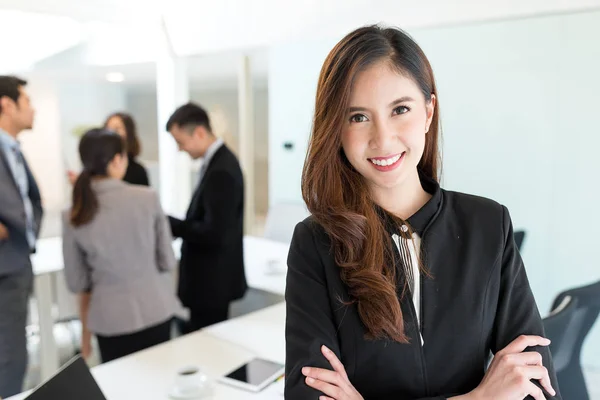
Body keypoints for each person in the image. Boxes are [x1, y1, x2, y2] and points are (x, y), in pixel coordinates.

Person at [285, 26, 561, 400]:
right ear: (335, 128)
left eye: (400, 109)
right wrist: (478, 398)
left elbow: (537, 388)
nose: (383, 139)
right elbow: (308, 394)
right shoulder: (316, 243)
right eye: (357, 117)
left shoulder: (488, 224)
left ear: (429, 112)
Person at [62, 128, 177, 363]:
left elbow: (77, 282)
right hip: (156, 310)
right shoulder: (148, 198)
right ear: (116, 160)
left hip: (110, 320)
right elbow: (167, 260)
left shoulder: (73, 213)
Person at [166, 102, 247, 333]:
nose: (180, 149)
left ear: (200, 133)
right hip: (211, 280)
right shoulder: (217, 162)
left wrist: (172, 225)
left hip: (211, 282)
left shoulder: (222, 169)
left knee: (210, 348)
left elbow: (214, 232)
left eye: (180, 142)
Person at [0, 76, 42, 398]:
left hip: (17, 261)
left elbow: (30, 202)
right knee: (9, 358)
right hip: (4, 267)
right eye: (27, 101)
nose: (33, 109)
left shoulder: (12, 149)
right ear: (7, 104)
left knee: (14, 352)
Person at [67, 112, 149, 186]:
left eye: (117, 129)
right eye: (107, 128)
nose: (111, 132)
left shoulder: (138, 172)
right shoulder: (94, 169)